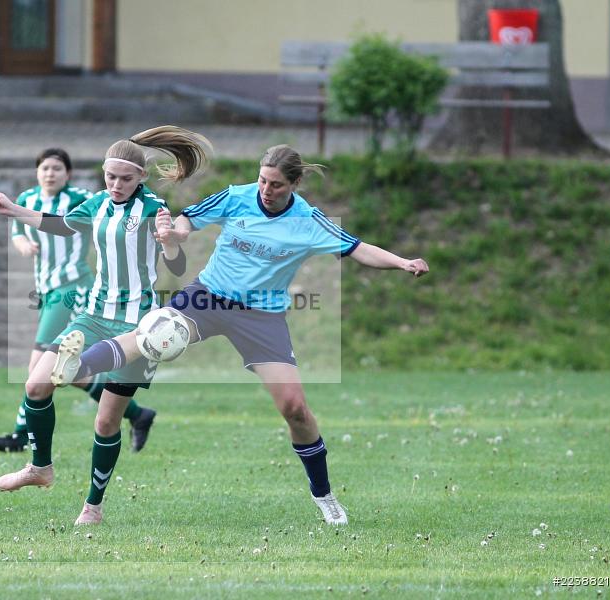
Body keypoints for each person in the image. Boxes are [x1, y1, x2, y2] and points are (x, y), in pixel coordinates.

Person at [52, 144, 430, 526]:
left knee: (295, 409)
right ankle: (76, 366)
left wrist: (402, 262)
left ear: (295, 184)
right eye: (263, 180)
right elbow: (188, 219)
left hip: (261, 317)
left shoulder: (308, 221)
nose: (266, 189)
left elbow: (357, 248)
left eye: (277, 185)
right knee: (152, 333)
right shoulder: (237, 197)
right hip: (208, 296)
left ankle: (324, 495)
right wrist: (175, 233)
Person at [0, 126, 211, 525]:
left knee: (106, 421)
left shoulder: (153, 209)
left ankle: (93, 506)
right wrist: (13, 210)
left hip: (139, 328)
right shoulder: (95, 204)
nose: (116, 185)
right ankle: (40, 468)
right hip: (91, 314)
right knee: (36, 385)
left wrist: (170, 242)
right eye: (110, 177)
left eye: (125, 178)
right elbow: (61, 223)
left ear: (141, 177)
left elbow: (176, 266)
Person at [0, 148, 157, 454]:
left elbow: (67, 223)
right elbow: (20, 227)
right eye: (45, 168)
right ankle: (136, 414)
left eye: (57, 168)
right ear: (37, 172)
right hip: (48, 289)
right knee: (68, 373)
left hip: (72, 287)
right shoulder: (28, 197)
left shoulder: (82, 197)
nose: (50, 173)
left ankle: (22, 435)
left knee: (39, 365)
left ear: (68, 174)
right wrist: (19, 234)